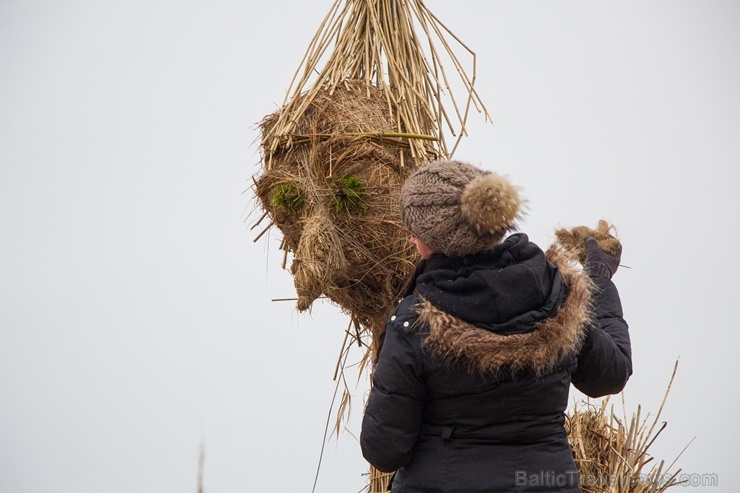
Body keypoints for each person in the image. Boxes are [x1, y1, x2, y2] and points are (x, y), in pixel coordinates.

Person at [360, 160, 631, 492]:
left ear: (438, 240)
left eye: (416, 230)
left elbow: (384, 450)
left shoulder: (415, 322)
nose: (412, 239)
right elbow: (612, 374)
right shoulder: (557, 295)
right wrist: (599, 281)